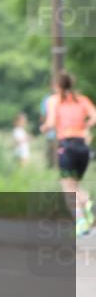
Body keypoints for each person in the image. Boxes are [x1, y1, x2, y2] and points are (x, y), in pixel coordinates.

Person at [42, 72, 96, 237]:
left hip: (67, 147)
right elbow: (94, 117)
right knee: (75, 186)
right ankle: (88, 207)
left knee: (68, 189)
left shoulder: (54, 100)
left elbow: (51, 122)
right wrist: (86, 127)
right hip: (83, 148)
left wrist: (44, 128)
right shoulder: (82, 100)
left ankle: (81, 223)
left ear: (56, 86)